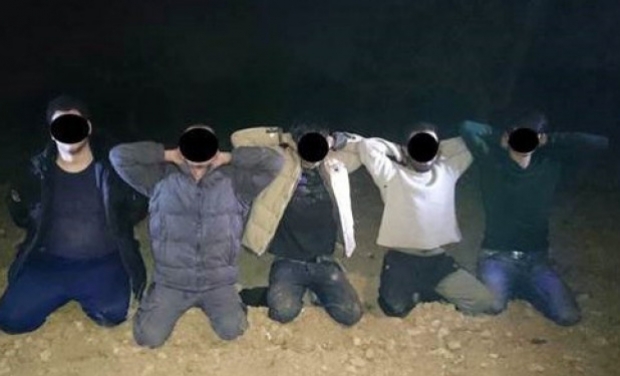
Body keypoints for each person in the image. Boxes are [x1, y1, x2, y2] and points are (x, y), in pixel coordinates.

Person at [109, 125, 283, 348]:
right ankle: (155, 297)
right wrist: (165, 154)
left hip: (217, 282)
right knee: (148, 337)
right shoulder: (159, 178)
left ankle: (235, 300)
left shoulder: (236, 181)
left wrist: (229, 157)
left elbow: (274, 162)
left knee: (233, 330)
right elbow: (118, 156)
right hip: (172, 282)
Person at [0, 95, 148, 334]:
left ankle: (95, 290)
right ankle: (46, 289)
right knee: (11, 319)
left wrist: (122, 230)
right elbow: (20, 212)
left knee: (113, 313)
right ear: (52, 132)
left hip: (102, 260)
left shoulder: (113, 168)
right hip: (49, 262)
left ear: (87, 127)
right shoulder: (36, 172)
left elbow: (138, 206)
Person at [459, 112, 608, 326]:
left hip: (536, 260)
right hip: (496, 257)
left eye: (531, 136)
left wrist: (549, 139)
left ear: (540, 138)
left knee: (568, 316)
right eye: (519, 134)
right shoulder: (491, 161)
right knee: (492, 306)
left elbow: (598, 143)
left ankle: (522, 286)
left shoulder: (549, 164)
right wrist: (501, 137)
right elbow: (466, 126)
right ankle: (517, 286)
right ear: (509, 135)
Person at [351, 123, 494, 317]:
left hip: (437, 259)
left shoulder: (448, 170)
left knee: (483, 300)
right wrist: (400, 150)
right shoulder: (391, 174)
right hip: (402, 258)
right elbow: (367, 146)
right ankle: (422, 291)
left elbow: (470, 141)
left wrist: (439, 148)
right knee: (394, 308)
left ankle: (426, 291)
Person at [234, 124, 363, 326]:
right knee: (283, 311)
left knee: (351, 314)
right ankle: (269, 292)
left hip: (324, 261)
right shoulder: (278, 161)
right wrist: (282, 137)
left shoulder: (336, 163)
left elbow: (366, 149)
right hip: (288, 260)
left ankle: (315, 291)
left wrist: (340, 139)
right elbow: (239, 139)